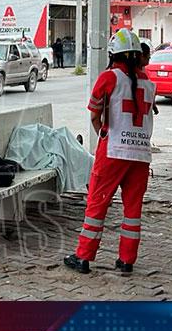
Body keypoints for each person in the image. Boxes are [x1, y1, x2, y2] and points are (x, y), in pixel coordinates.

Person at [64, 28, 155, 275]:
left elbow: (95, 114)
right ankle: (127, 260)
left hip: (113, 151)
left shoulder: (109, 77)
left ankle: (83, 257)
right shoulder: (149, 83)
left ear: (114, 55)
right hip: (140, 155)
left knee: (97, 204)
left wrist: (103, 133)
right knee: (133, 210)